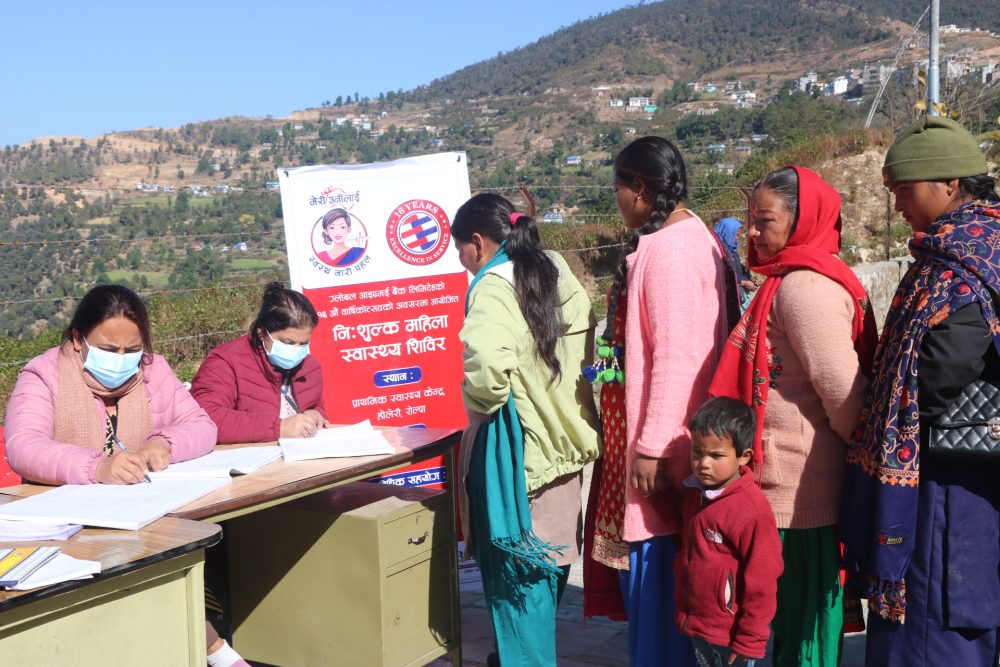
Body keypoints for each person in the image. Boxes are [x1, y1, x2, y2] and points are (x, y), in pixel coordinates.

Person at [3, 285, 247, 667]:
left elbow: (202, 425)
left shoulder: (153, 370)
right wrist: (96, 466)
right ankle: (217, 652)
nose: (121, 359)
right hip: (66, 530)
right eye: (108, 348)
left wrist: (165, 443)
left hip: (143, 520)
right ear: (77, 339)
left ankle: (210, 650)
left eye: (131, 350)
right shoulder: (44, 375)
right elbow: (23, 446)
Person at [841, 115, 1000, 666]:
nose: (897, 204)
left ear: (950, 183)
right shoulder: (959, 250)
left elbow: (946, 362)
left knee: (930, 630)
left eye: (904, 189)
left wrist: (892, 412)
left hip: (948, 483)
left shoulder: (968, 258)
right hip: (947, 473)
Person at [709, 166, 877, 667]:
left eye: (765, 221)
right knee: (792, 631)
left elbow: (844, 395)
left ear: (802, 220)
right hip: (793, 487)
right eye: (751, 219)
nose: (752, 232)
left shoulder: (805, 289)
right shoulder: (791, 279)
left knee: (805, 636)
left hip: (803, 495)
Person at [582, 135, 730, 667]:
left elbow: (675, 356)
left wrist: (651, 448)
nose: (617, 200)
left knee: (659, 597)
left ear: (640, 188)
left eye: (618, 188)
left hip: (662, 451)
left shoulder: (670, 251)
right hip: (671, 442)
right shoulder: (687, 238)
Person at [454, 192, 601, 666]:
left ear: (478, 242)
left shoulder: (493, 286)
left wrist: (478, 405)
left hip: (517, 453)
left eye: (460, 251)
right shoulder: (554, 265)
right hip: (566, 443)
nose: (463, 262)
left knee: (516, 579)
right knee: (549, 565)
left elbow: (486, 372)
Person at [672, 397, 783, 667]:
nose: (703, 463)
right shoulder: (696, 492)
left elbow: (763, 583)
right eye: (697, 452)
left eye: (716, 455)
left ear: (744, 456)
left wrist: (750, 641)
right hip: (699, 626)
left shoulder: (751, 510)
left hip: (731, 636)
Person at [191, 282, 328, 443]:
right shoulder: (225, 362)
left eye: (304, 343)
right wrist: (278, 428)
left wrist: (316, 415)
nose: (297, 350)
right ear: (262, 332)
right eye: (288, 343)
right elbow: (206, 418)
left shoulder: (310, 367)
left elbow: (315, 406)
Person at [714, 217, 757, 311]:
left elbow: (737, 271)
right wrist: (744, 282)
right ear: (727, 233)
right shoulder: (718, 253)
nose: (737, 238)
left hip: (738, 295)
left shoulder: (732, 251)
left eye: (738, 235)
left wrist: (749, 278)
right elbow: (724, 275)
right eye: (735, 235)